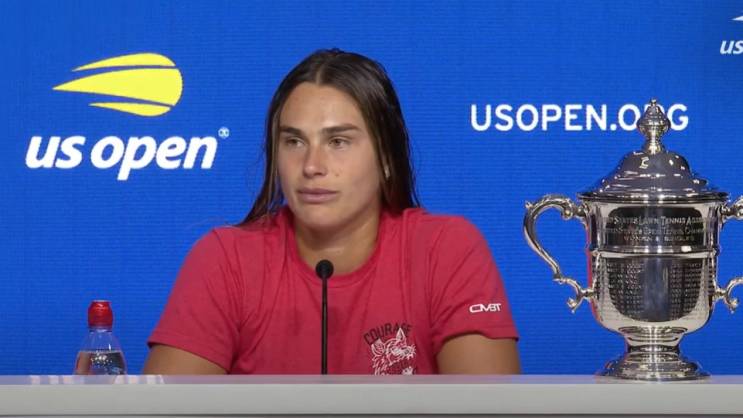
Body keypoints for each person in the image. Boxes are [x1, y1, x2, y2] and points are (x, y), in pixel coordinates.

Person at [143, 49, 520, 375]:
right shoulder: (225, 259)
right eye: (294, 141)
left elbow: (489, 407)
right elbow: (161, 409)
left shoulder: (446, 249)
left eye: (338, 141)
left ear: (386, 157)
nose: (311, 166)